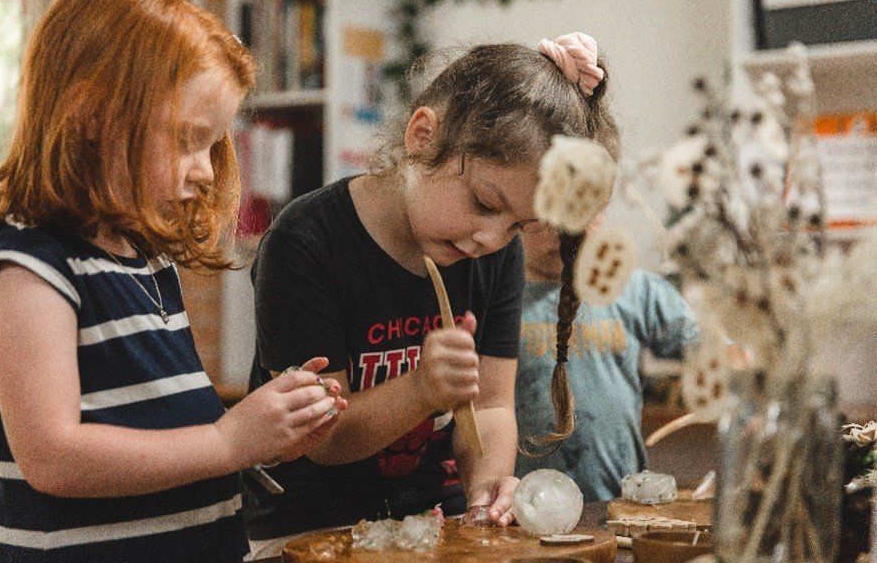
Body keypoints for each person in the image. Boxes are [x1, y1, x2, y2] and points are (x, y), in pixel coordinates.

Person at [0, 0, 345, 562]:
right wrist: (229, 440)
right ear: (92, 114)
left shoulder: (146, 263)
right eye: (188, 140)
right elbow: (53, 458)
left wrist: (266, 434)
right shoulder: (30, 267)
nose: (205, 170)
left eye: (213, 145)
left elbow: (162, 425)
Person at [243, 32, 619, 556]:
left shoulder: (493, 254)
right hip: (305, 532)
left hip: (434, 522)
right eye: (486, 203)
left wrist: (489, 490)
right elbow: (323, 441)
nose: (492, 238)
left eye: (517, 225)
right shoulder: (305, 241)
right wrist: (421, 388)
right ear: (423, 135)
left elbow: (489, 405)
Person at [514, 222, 701, 501]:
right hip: (522, 506)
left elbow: (713, 354)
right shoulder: (498, 300)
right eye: (547, 217)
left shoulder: (635, 290)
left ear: (600, 215)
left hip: (618, 500)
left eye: (576, 214)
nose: (562, 231)